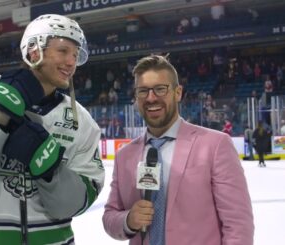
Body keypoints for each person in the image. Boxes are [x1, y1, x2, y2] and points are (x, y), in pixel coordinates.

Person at [0, 14, 105, 245]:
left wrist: (49, 169)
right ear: (33, 50)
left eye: (76, 55)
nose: (72, 62)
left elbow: (75, 204)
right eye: (64, 51)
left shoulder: (82, 121)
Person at [102, 55, 254, 245]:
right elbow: (110, 216)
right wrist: (128, 220)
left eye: (160, 89)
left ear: (178, 92)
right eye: (143, 91)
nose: (151, 98)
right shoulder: (125, 156)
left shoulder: (215, 145)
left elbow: (238, 225)